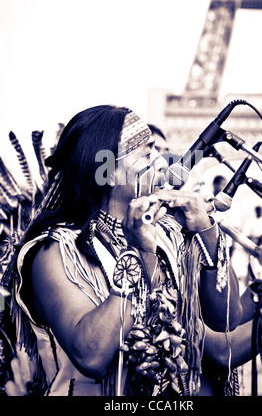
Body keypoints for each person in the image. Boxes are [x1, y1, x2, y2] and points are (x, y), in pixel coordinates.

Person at [7, 105, 243, 396]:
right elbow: (91, 356)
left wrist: (207, 230)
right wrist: (140, 254)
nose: (161, 162)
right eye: (146, 153)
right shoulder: (53, 251)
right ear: (105, 172)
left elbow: (226, 321)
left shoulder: (169, 235)